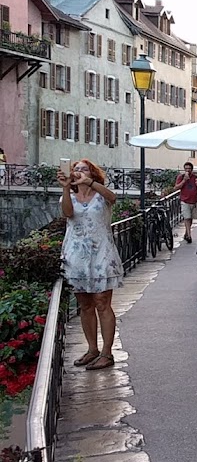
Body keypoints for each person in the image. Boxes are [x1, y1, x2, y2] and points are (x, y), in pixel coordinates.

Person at [56, 159, 124, 371]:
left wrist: (91, 183)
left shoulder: (101, 196)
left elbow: (113, 197)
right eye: (76, 169)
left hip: (102, 255)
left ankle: (107, 353)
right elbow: (67, 213)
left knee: (102, 302)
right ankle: (92, 349)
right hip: (76, 257)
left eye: (84, 169)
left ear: (92, 174)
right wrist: (67, 188)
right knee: (85, 305)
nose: (78, 172)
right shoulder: (69, 195)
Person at [174, 162, 197, 243]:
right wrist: (184, 181)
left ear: (192, 169)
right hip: (185, 201)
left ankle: (186, 233)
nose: (188, 170)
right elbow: (176, 187)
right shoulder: (181, 177)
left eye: (189, 169)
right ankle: (189, 236)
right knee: (187, 218)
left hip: (194, 201)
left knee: (191, 219)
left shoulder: (195, 177)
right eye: (186, 169)